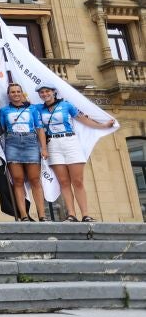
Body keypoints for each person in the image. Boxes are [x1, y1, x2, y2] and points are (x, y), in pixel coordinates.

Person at [36, 82, 115, 223]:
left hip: (70, 142)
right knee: (64, 182)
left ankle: (85, 214)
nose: (45, 94)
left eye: (47, 91)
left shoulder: (66, 105)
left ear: (53, 92)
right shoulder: (38, 109)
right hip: (53, 145)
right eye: (41, 92)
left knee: (77, 181)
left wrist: (102, 126)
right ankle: (71, 214)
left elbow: (82, 119)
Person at [0, 83, 47, 222]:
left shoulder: (32, 109)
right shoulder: (4, 111)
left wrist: (43, 148)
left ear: (22, 93)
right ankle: (24, 215)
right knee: (18, 180)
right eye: (12, 92)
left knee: (35, 180)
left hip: (31, 142)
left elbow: (39, 128)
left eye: (18, 91)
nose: (15, 94)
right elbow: (1, 130)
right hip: (12, 143)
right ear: (9, 95)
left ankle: (42, 215)